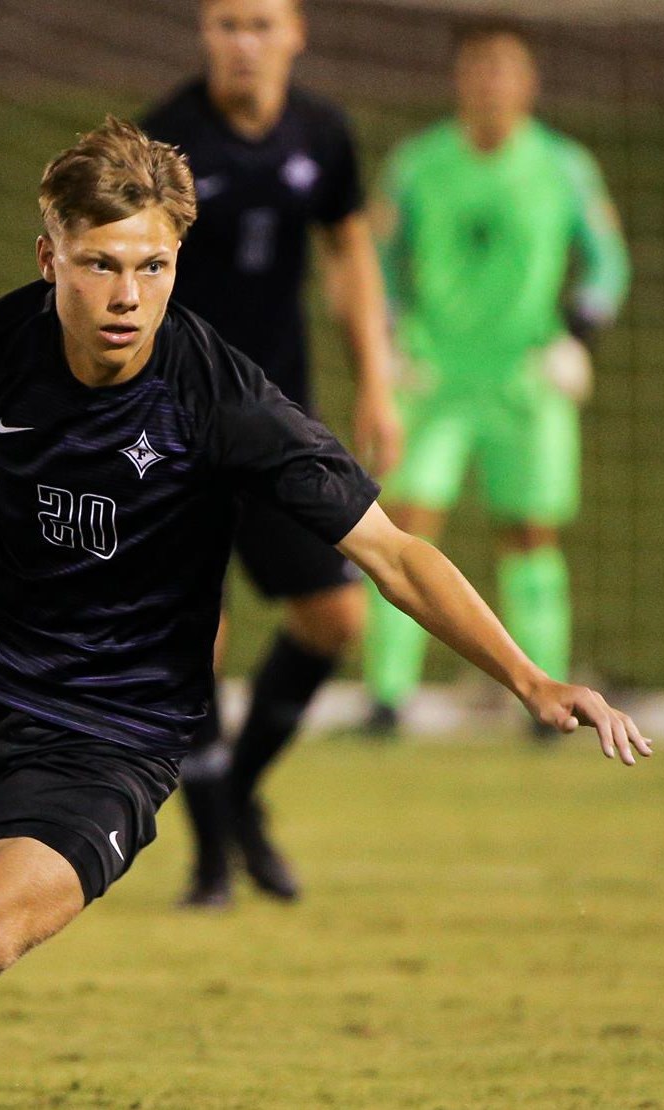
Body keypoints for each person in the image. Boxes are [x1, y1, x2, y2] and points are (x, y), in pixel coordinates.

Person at [0, 116, 647, 1110]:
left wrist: (531, 678)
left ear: (178, 262)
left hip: (109, 735)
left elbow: (393, 553)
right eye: (100, 264)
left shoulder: (223, 401)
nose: (128, 295)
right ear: (51, 259)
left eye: (153, 265)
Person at [141, 0, 401, 908]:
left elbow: (349, 251)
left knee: (336, 619)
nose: (240, 42)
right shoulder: (164, 140)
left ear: (295, 33)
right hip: (172, 425)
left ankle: (240, 794)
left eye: (258, 23)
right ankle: (210, 855)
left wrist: (376, 378)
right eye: (223, 23)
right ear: (203, 34)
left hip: (277, 419)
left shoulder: (324, 134)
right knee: (191, 642)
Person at [364, 19, 631, 735]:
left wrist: (576, 339)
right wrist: (388, 340)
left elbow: (608, 263)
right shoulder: (416, 165)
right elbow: (375, 262)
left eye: (505, 69)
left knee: (531, 534)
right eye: (478, 68)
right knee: (405, 527)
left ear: (529, 82)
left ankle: (551, 706)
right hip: (435, 377)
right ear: (459, 80)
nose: (491, 83)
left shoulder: (563, 166)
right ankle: (387, 699)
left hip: (526, 381)